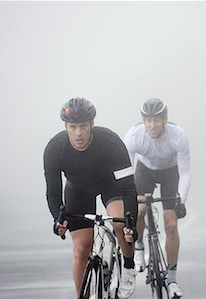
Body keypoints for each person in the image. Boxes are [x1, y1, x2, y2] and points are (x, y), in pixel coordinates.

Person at [44, 98, 138, 299]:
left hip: (110, 186)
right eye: (73, 127)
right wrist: (57, 219)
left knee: (121, 225)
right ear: (66, 126)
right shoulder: (54, 148)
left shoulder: (111, 142)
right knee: (81, 248)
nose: (78, 133)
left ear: (92, 124)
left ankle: (129, 265)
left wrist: (132, 224)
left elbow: (129, 188)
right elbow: (53, 192)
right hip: (78, 190)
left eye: (83, 126)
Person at [123, 98, 190, 298]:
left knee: (171, 224)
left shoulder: (178, 136)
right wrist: (130, 202)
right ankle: (139, 245)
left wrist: (181, 201)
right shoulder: (134, 136)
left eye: (157, 120)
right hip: (145, 171)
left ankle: (172, 280)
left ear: (165, 120)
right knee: (141, 209)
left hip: (171, 172)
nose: (152, 125)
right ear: (143, 120)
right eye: (148, 120)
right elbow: (127, 172)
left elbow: (185, 173)